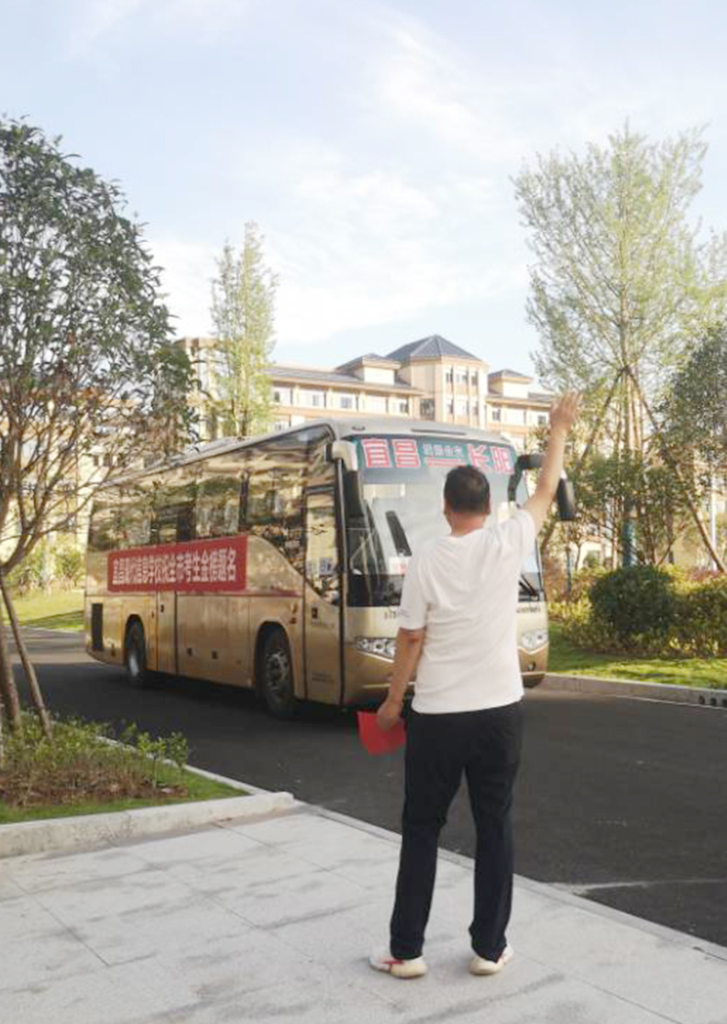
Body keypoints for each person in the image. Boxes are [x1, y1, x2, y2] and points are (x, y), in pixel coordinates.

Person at [369, 392, 579, 980]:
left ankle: (406, 951)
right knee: (494, 825)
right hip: (499, 712)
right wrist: (558, 428)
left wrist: (392, 702)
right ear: (488, 506)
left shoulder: (427, 559)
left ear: (446, 509)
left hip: (438, 716)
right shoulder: (509, 541)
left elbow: (411, 638)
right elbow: (546, 488)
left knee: (421, 827)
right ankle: (489, 948)